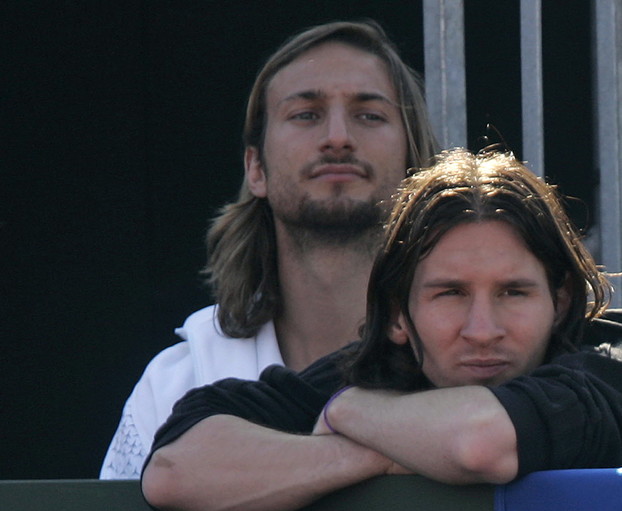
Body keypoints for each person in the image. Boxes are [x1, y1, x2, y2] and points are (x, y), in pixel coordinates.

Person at [141, 148, 622, 511]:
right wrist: (371, 453)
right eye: (450, 294)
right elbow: (174, 471)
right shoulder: (381, 375)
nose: (483, 329)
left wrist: (347, 413)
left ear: (560, 298)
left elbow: (479, 444)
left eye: (514, 292)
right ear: (398, 314)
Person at [100, 19, 438, 479]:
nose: (338, 137)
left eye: (369, 115)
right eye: (306, 114)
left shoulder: (465, 358)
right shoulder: (177, 382)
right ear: (255, 167)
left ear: (414, 166)